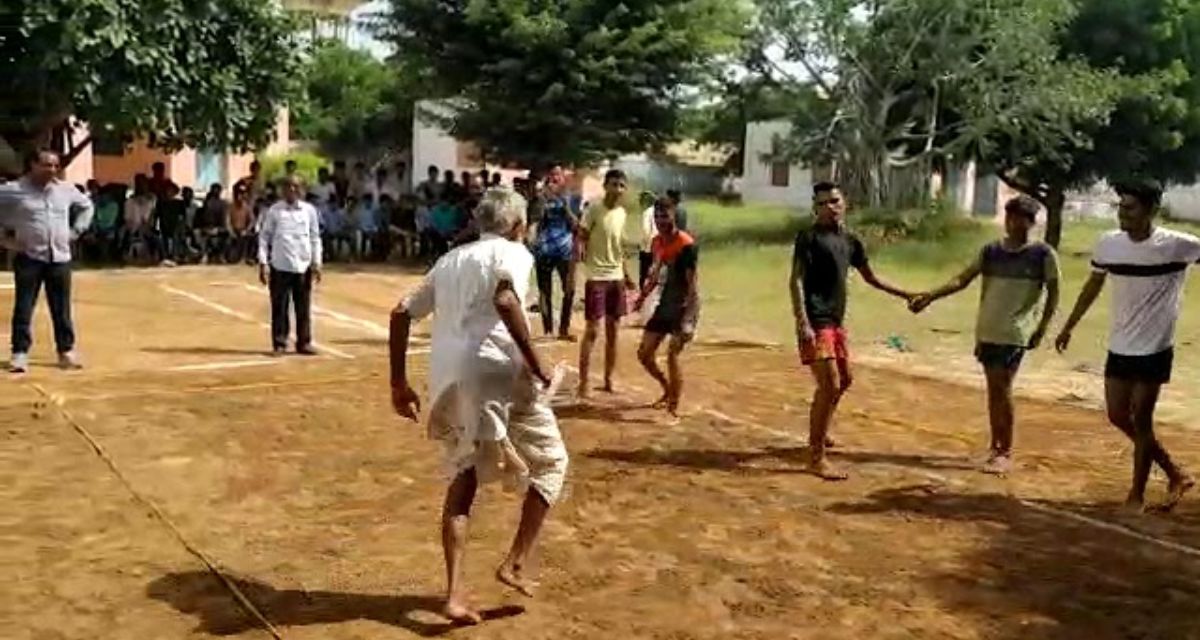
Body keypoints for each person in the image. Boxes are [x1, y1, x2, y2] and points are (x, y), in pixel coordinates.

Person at [389, 188, 568, 624]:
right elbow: (506, 300)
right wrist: (541, 365)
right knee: (551, 463)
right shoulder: (514, 252)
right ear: (517, 225)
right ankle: (515, 562)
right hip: (498, 372)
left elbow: (400, 312)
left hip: (450, 379)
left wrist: (398, 382)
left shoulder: (450, 261)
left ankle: (453, 595)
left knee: (463, 481)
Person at [1055, 180, 1200, 512]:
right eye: (1120, 207)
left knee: (1142, 419)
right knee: (1118, 415)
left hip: (1155, 347)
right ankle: (1175, 472)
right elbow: (1093, 283)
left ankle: (1136, 494)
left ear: (1150, 210)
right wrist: (1069, 325)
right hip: (1120, 343)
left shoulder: (1178, 245)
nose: (1123, 213)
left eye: (1130, 208)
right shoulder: (1108, 245)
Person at [908, 195, 1061, 474]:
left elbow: (1054, 293)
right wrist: (930, 296)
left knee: (1002, 388)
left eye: (1020, 218)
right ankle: (996, 446)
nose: (1013, 223)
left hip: (1015, 332)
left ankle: (1005, 450)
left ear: (1031, 222)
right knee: (994, 391)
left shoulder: (1042, 255)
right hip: (988, 328)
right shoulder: (991, 251)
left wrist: (1042, 328)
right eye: (1009, 217)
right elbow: (962, 279)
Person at [790, 181, 916, 480]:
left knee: (844, 380)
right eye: (822, 203)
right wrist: (802, 321)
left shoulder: (850, 241)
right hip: (816, 321)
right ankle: (816, 457)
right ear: (815, 208)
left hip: (835, 322)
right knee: (830, 384)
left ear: (844, 203)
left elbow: (871, 278)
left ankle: (821, 431)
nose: (829, 207)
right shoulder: (808, 238)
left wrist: (906, 294)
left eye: (834, 201)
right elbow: (795, 280)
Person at [0, 149, 94, 372]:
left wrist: (76, 230)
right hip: (29, 257)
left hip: (60, 258)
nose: (51, 169)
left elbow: (86, 206)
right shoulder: (14, 191)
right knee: (24, 307)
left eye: (54, 165)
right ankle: (20, 353)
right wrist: (4, 240)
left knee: (61, 308)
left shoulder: (65, 190)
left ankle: (66, 351)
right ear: (32, 165)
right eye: (46, 165)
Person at [634, 197, 699, 417]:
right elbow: (655, 272)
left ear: (674, 216)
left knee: (673, 355)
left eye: (665, 215)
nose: (661, 220)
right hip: (665, 305)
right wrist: (642, 296)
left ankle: (674, 405)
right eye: (657, 216)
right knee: (644, 354)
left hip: (683, 306)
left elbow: (693, 286)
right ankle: (667, 388)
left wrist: (689, 318)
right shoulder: (657, 242)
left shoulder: (686, 244)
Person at [576, 169, 634, 399]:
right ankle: (584, 382)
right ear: (605, 186)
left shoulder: (622, 213)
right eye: (614, 184)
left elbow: (619, 248)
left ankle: (609, 379)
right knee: (592, 330)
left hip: (616, 277)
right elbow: (581, 236)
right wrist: (579, 259)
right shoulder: (594, 209)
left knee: (614, 331)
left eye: (621, 185)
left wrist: (627, 276)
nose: (618, 189)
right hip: (597, 277)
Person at [258, 176, 323, 356]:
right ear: (283, 190)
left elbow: (314, 237)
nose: (292, 190)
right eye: (288, 186)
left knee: (303, 307)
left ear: (301, 189)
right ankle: (280, 343)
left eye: (296, 186)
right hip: (280, 265)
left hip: (303, 265)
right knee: (280, 307)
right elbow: (264, 237)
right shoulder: (274, 211)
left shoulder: (309, 211)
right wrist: (263, 263)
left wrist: (317, 262)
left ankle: (304, 342)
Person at [532, 165, 579, 340]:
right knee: (545, 291)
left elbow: (576, 225)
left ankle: (564, 329)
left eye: (558, 175)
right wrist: (542, 199)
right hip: (544, 250)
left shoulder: (572, 198)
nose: (555, 178)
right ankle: (548, 331)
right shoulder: (540, 198)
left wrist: (565, 206)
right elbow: (535, 222)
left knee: (570, 289)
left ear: (563, 178)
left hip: (565, 251)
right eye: (551, 175)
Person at [122, 174, 158, 262]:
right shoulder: (129, 201)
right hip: (132, 227)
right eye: (139, 183)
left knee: (155, 239)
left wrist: (147, 226)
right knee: (123, 235)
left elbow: (153, 216)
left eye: (143, 183)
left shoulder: (152, 199)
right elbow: (127, 218)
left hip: (148, 226)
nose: (141, 186)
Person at [155, 183, 188, 264]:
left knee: (177, 234)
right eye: (168, 190)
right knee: (160, 236)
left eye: (171, 190)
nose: (169, 192)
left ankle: (175, 256)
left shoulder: (179, 203)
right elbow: (157, 216)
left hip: (176, 226)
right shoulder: (161, 203)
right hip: (164, 226)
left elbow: (182, 217)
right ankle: (164, 256)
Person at [194, 183, 227, 264]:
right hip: (205, 228)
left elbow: (223, 221)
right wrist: (206, 229)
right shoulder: (205, 204)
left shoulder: (222, 204)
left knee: (226, 234)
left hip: (218, 228)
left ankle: (220, 255)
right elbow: (200, 221)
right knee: (200, 234)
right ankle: (204, 254)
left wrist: (217, 229)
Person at [227, 184, 256, 263]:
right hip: (233, 230)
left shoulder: (247, 207)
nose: (240, 196)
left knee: (250, 238)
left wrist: (246, 230)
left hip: (244, 230)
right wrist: (231, 231)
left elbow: (252, 221)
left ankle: (246, 257)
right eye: (239, 193)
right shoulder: (230, 207)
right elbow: (227, 221)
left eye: (242, 193)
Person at [635, 190, 657, 288]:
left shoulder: (647, 213)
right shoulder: (659, 210)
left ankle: (642, 288)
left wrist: (643, 243)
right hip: (659, 245)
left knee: (644, 270)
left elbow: (646, 230)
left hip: (648, 246)